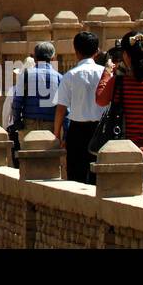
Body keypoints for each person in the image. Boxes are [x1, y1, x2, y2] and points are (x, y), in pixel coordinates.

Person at [95, 30, 143, 198]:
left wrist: (107, 73)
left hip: (122, 156)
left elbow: (100, 99)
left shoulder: (118, 83)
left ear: (126, 56)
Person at [54, 31, 106, 183]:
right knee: (99, 177)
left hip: (77, 132)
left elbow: (61, 108)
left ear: (76, 51)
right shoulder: (106, 74)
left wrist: (57, 135)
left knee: (76, 177)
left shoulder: (70, 76)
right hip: (100, 131)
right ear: (96, 52)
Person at [10, 41, 62, 144]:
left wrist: (17, 121)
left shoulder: (25, 75)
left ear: (35, 58)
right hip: (50, 126)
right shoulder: (59, 78)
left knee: (28, 158)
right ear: (53, 58)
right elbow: (63, 107)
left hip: (28, 125)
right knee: (48, 159)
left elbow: (17, 102)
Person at [3, 56, 34, 135]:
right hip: (32, 129)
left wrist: (5, 128)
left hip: (16, 128)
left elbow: (6, 113)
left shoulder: (13, 90)